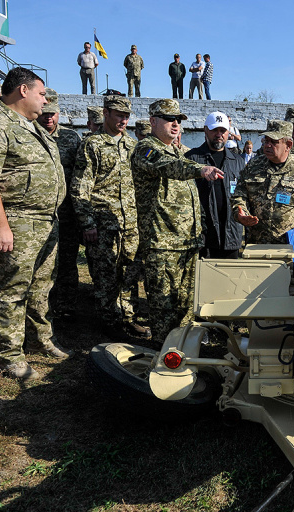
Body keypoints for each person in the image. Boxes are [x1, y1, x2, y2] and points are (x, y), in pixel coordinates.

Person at [0, 67, 72, 381]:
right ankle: (10, 356)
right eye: (41, 93)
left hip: (45, 221)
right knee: (11, 289)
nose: (45, 100)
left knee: (40, 287)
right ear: (23, 91)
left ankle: (40, 339)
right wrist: (0, 225)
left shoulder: (32, 126)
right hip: (17, 221)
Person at [131, 99, 223, 343]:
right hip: (163, 243)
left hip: (186, 242)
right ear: (152, 121)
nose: (175, 124)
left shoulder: (178, 151)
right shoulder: (146, 149)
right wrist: (199, 169)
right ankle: (163, 353)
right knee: (164, 306)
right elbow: (167, 165)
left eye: (178, 120)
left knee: (184, 304)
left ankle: (182, 350)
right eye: (169, 119)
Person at [71, 95, 151, 340]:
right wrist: (87, 223)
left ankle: (128, 319)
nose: (123, 121)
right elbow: (80, 186)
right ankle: (108, 323)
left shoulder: (132, 146)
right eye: (119, 115)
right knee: (106, 276)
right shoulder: (92, 145)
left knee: (129, 274)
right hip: (103, 224)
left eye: (127, 116)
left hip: (130, 224)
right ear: (106, 114)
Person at [36, 89, 83, 320]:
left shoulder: (71, 138)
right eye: (45, 113)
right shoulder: (30, 134)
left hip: (66, 213)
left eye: (52, 113)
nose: (48, 118)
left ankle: (66, 305)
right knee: (40, 262)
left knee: (67, 260)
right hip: (39, 212)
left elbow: (79, 176)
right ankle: (41, 305)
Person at [231, 120, 294, 245]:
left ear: (288, 145)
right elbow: (239, 195)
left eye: (274, 142)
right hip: (256, 245)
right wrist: (240, 213)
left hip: (289, 248)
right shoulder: (253, 166)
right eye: (266, 140)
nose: (267, 145)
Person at [186, 112, 245, 259]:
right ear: (205, 130)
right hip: (202, 237)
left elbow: (244, 196)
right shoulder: (192, 158)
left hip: (230, 235)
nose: (219, 134)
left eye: (223, 131)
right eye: (214, 130)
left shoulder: (238, 161)